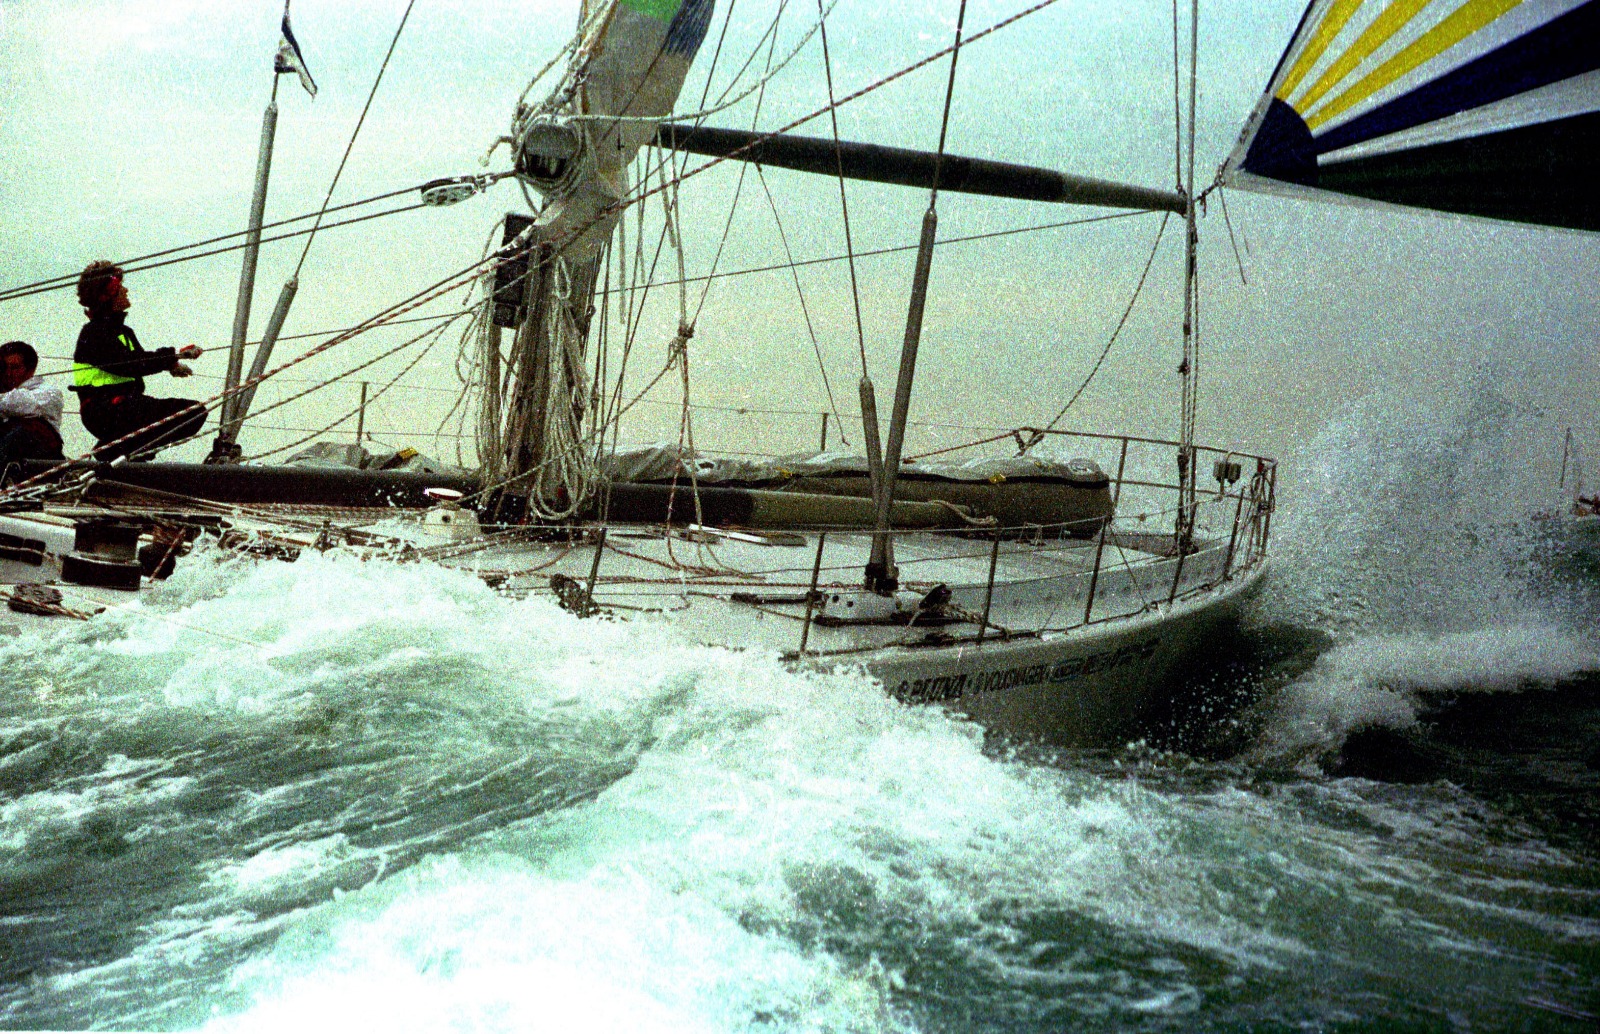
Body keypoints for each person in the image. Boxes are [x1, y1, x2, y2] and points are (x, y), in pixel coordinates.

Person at [73, 260, 206, 460]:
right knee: (192, 413)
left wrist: (171, 363)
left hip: (123, 406)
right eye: (120, 286)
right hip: (105, 409)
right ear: (107, 295)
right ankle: (114, 453)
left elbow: (139, 361)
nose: (125, 290)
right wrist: (172, 357)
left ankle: (125, 455)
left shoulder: (123, 331)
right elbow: (129, 364)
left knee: (194, 413)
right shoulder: (94, 332)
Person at [0, 340, 66, 473]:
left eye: (14, 367)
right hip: (10, 457)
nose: (8, 373)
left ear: (30, 370)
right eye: (4, 368)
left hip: (39, 456)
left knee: (20, 435)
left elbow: (19, 403)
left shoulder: (49, 392)